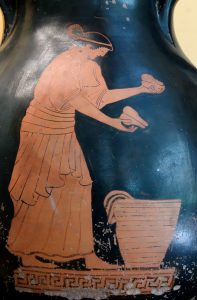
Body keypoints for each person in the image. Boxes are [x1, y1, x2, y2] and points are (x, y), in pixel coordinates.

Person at [6, 24, 165, 269]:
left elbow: (100, 99)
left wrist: (140, 89)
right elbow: (75, 100)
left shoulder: (90, 68)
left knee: (78, 186)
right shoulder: (63, 63)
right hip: (41, 131)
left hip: (63, 130)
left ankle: (85, 254)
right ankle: (26, 254)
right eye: (101, 49)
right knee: (37, 190)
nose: (103, 54)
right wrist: (112, 121)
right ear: (88, 46)